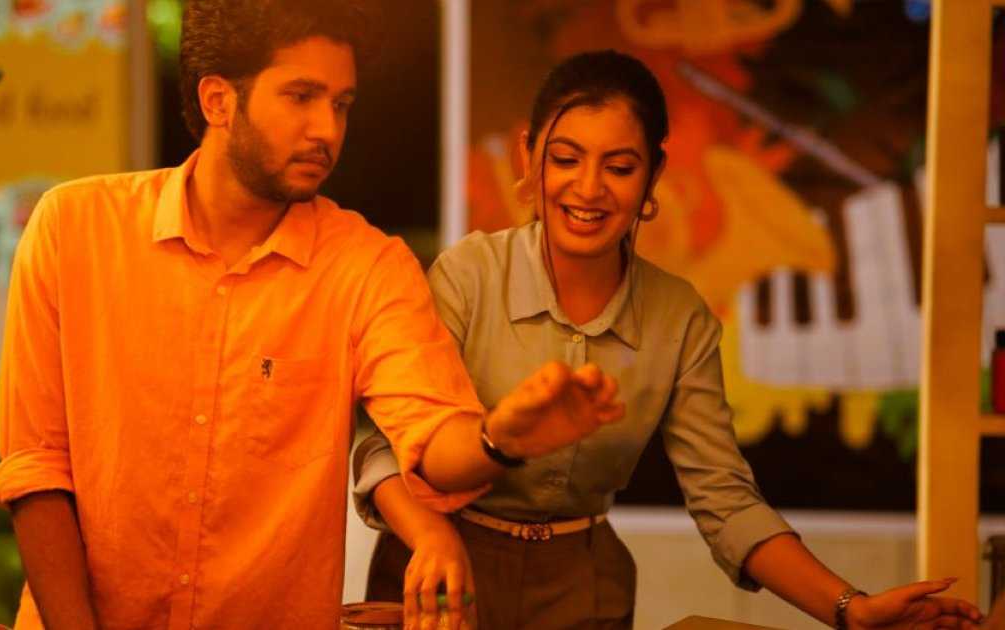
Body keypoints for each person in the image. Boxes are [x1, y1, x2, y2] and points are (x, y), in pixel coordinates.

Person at [0, 2, 627, 629]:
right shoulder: (73, 229)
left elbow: (430, 435)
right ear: (218, 101)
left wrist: (499, 440)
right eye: (301, 97)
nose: (327, 129)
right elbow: (36, 467)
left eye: (341, 104)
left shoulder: (366, 266)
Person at [353, 50, 984, 630]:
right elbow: (385, 445)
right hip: (437, 578)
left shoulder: (680, 318)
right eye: (566, 159)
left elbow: (726, 501)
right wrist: (444, 519)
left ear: (654, 173)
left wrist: (850, 609)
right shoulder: (466, 276)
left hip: (584, 590)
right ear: (529, 155)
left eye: (619, 167)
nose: (589, 188)